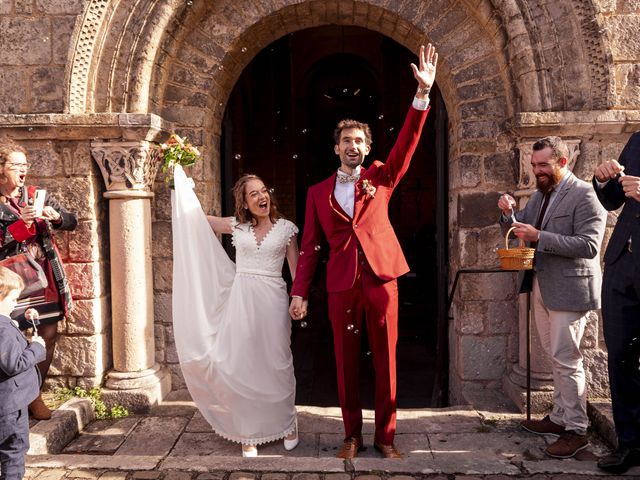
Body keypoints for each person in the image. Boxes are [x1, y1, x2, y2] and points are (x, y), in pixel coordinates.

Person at [288, 44, 438, 459]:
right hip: (340, 285)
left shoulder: (381, 176)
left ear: (367, 148)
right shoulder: (318, 192)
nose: (352, 146)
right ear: (335, 148)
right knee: (344, 362)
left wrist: (421, 96)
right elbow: (310, 249)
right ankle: (351, 435)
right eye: (345, 141)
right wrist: (299, 292)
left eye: (358, 140)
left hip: (381, 279)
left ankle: (385, 438)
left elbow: (407, 144)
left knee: (386, 361)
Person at [171, 167, 299, 457]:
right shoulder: (237, 227)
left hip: (273, 299)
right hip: (241, 300)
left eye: (264, 190)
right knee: (243, 364)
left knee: (277, 362)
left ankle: (288, 422)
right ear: (244, 203)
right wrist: (181, 184)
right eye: (253, 194)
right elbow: (196, 220)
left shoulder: (287, 228)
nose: (261, 196)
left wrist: (299, 298)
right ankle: (246, 430)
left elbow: (297, 270)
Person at [497, 136, 607, 459]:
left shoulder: (586, 194)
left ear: (563, 162)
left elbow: (588, 245)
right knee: (555, 355)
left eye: (543, 165)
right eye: (534, 166)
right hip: (543, 285)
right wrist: (509, 214)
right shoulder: (540, 195)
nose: (537, 171)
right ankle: (560, 417)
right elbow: (522, 228)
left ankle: (576, 430)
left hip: (571, 290)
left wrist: (539, 237)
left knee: (567, 359)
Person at [0, 139, 77, 421]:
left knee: (48, 334)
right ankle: (16, 398)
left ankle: (35, 395)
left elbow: (72, 221)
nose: (23, 170)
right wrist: (23, 225)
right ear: (1, 169)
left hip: (43, 276)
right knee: (13, 338)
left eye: (25, 165)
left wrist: (55, 217)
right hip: (8, 280)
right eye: (16, 165)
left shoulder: (34, 194)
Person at [592, 133, 640, 473]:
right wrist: (602, 177)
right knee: (621, 356)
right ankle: (629, 445)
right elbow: (612, 201)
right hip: (622, 263)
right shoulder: (638, 139)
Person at [0, 266, 46, 480]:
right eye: (13, 299)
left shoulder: (5, 324)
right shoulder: (3, 330)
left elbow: (8, 326)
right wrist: (36, 347)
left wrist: (25, 320)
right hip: (11, 408)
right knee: (13, 453)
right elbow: (13, 364)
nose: (16, 304)